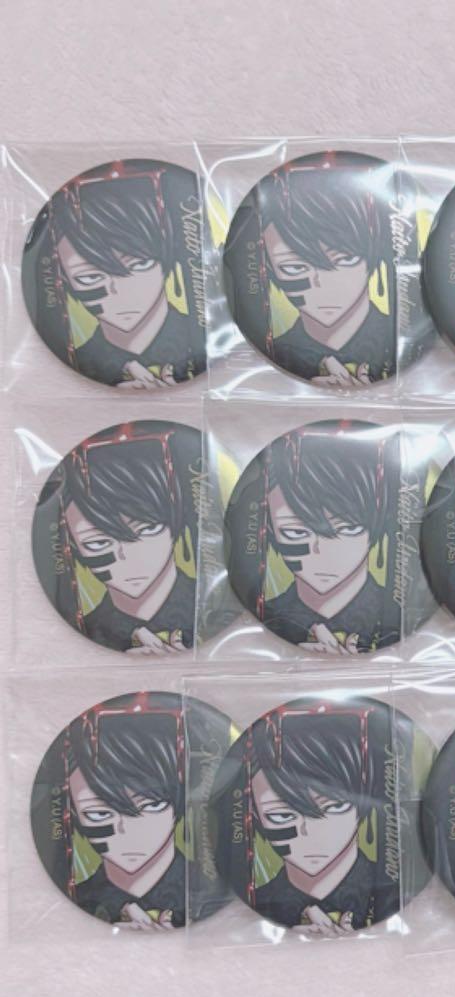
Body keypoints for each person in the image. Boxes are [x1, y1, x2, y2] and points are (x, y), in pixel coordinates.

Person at [245, 708, 394, 935]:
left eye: (335, 807)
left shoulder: (392, 894)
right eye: (282, 815)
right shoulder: (259, 901)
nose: (311, 833)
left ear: (364, 803)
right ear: (256, 816)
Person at [51, 170, 198, 389]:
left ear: (166, 259)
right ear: (65, 279)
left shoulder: (206, 343)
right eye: (90, 277)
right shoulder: (77, 362)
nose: (120, 292)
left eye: (140, 265)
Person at [257, 158, 395, 387]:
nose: (323, 286)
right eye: (294, 267)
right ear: (269, 268)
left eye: (346, 259)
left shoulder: (401, 342)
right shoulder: (275, 352)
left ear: (375, 252)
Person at [259, 427, 398, 653]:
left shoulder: (399, 617)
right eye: (296, 533)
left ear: (377, 524)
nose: (322, 553)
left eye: (349, 529)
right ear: (270, 530)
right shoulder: (267, 618)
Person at [59, 429, 193, 656]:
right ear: (73, 547)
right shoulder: (87, 630)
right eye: (97, 543)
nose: (129, 558)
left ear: (176, 521)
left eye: (148, 529)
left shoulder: (216, 611)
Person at [66, 704, 186, 929]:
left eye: (152, 805)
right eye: (99, 813)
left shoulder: (210, 895)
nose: (128, 830)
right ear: (74, 812)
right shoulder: (75, 903)